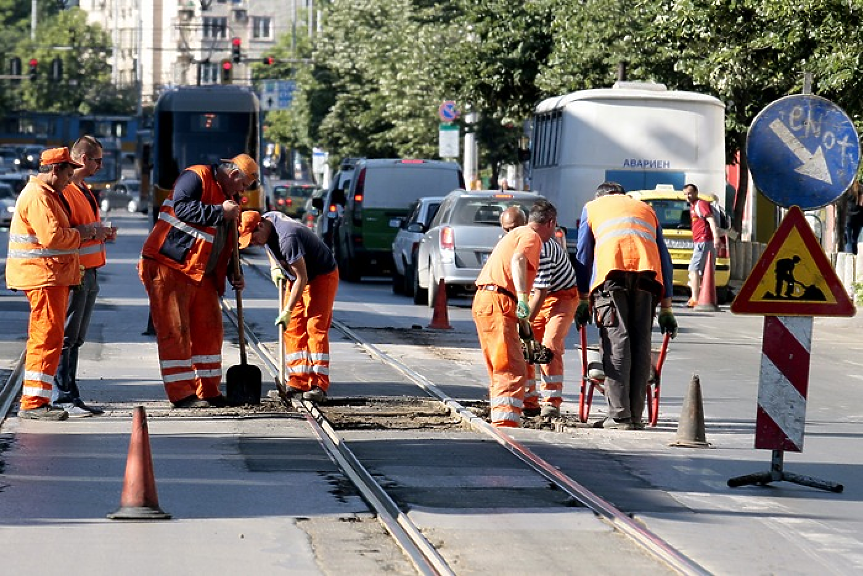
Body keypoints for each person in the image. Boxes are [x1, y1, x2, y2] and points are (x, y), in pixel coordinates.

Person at [139, 154, 255, 408]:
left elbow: (227, 242)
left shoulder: (231, 199)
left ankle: (208, 390)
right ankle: (182, 394)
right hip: (169, 266)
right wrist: (218, 212)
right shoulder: (196, 176)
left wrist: (234, 273)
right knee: (175, 332)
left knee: (210, 330)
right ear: (233, 175)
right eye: (243, 185)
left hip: (201, 273)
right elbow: (181, 207)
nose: (243, 191)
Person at [6, 148, 103, 420]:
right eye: (67, 174)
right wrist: (81, 233)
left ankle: (38, 400)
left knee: (49, 337)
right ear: (54, 170)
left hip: (50, 276)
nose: (69, 180)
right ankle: (34, 402)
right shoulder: (39, 196)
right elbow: (52, 238)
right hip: (43, 277)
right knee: (45, 338)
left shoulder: (48, 195)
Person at [575, 181, 677, 430]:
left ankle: (619, 417)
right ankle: (635, 416)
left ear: (600, 196)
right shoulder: (645, 208)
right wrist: (666, 308)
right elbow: (665, 258)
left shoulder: (593, 207)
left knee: (617, 341)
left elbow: (583, 255)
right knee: (640, 343)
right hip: (648, 279)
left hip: (612, 277)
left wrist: (582, 299)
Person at [238, 210, 339, 402]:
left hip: (321, 276)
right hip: (297, 276)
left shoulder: (288, 237)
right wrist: (275, 266)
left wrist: (287, 310)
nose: (254, 244)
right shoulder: (267, 220)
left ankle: (319, 384)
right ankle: (298, 381)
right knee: (292, 328)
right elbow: (267, 244)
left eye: (253, 239)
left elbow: (303, 278)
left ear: (260, 226)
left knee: (314, 327)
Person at [473, 200, 557, 428]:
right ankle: (506, 423)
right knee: (511, 367)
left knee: (500, 364)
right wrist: (522, 297)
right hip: (499, 301)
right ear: (550, 223)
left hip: (487, 300)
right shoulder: (531, 236)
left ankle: (502, 415)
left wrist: (523, 322)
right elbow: (519, 260)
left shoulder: (515, 234)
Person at [53, 136, 116, 417]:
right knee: (67, 337)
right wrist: (93, 232)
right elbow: (66, 233)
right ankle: (62, 397)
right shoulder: (67, 191)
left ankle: (71, 394)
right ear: (81, 159)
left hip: (89, 269)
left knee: (76, 338)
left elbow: (85, 227)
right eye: (96, 160)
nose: (100, 166)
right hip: (74, 270)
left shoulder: (83, 189)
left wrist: (100, 232)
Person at [526, 222, 581, 419]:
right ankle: (529, 399)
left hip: (562, 297)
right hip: (537, 295)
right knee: (527, 345)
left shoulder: (544, 249)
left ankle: (551, 402)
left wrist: (524, 322)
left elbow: (541, 292)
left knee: (549, 345)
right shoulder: (515, 244)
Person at [685, 183, 720, 307]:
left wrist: (716, 237)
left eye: (689, 193)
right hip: (700, 241)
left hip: (703, 240)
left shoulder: (701, 204)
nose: (687, 196)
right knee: (703, 270)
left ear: (695, 192)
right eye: (685, 194)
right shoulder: (693, 206)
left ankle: (695, 299)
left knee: (693, 269)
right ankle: (702, 297)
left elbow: (710, 219)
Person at [844, 184, 863, 254]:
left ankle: (849, 257)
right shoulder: (861, 188)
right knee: (854, 239)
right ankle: (854, 257)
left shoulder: (846, 188)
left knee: (848, 240)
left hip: (848, 217)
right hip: (859, 217)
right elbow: (861, 203)